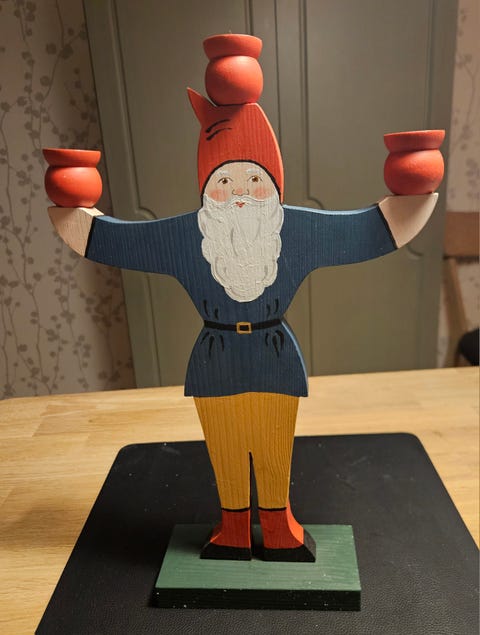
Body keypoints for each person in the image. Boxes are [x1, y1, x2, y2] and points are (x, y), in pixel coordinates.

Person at [47, 51, 438, 564]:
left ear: (273, 187)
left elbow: (366, 232)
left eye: (254, 181)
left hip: (275, 358)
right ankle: (232, 530)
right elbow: (115, 241)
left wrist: (414, 186)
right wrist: (72, 198)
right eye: (224, 182)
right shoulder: (187, 236)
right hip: (214, 360)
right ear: (207, 189)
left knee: (273, 447)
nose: (239, 195)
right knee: (227, 447)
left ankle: (279, 530)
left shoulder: (293, 229)